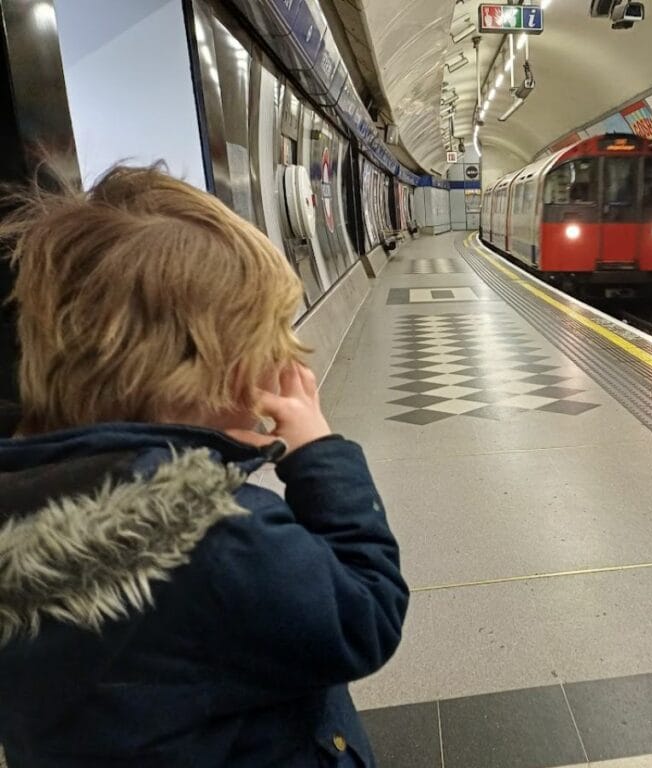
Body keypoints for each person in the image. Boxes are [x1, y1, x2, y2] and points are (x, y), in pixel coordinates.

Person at [0, 165, 409, 767]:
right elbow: (365, 614)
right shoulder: (215, 534)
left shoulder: (23, 504)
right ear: (222, 370)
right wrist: (320, 456)